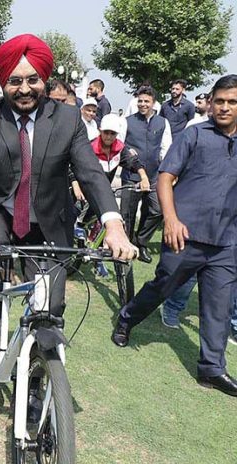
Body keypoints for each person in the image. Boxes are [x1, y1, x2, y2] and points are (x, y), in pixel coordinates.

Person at [0, 34, 136, 353]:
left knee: (48, 311)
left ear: (44, 78)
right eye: (14, 81)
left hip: (50, 220)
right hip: (0, 212)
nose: (24, 89)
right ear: (3, 82)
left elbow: (91, 173)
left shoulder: (68, 119)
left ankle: (39, 383)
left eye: (32, 79)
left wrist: (114, 226)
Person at [112, 74, 237, 397]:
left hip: (226, 241)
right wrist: (170, 219)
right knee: (163, 286)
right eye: (219, 101)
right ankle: (126, 318)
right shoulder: (195, 135)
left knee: (218, 307)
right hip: (185, 232)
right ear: (210, 102)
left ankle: (212, 368)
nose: (224, 107)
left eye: (232, 102)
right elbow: (166, 177)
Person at [121, 86, 172, 264]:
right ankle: (126, 246)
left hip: (154, 175)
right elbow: (121, 146)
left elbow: (166, 148)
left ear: (153, 103)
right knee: (127, 213)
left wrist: (167, 172)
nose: (142, 104)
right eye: (140, 101)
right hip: (131, 175)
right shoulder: (127, 121)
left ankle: (141, 242)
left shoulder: (162, 122)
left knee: (156, 210)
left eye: (146, 101)